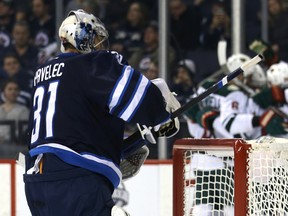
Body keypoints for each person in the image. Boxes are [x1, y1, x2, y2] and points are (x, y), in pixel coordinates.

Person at [23, 9, 180, 216]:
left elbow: (70, 127)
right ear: (81, 35)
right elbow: (141, 99)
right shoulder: (89, 64)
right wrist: (161, 112)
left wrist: (121, 145)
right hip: (75, 179)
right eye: (96, 37)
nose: (100, 45)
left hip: (36, 182)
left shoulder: (42, 74)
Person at [0, 78, 29, 144]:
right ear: (4, 92)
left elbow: (23, 131)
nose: (13, 92)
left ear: (19, 92)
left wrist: (4, 138)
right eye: (10, 89)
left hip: (14, 147)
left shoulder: (24, 110)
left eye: (16, 89)